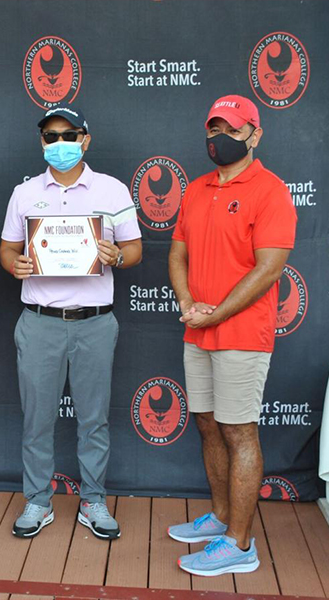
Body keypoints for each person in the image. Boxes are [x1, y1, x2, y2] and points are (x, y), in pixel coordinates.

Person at [167, 95, 296, 576]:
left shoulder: (271, 190)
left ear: (254, 135)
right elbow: (177, 253)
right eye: (214, 128)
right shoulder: (197, 188)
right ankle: (220, 518)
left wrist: (216, 312)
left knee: (240, 432)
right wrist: (186, 304)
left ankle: (240, 545)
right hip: (197, 328)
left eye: (232, 129)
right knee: (207, 424)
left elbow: (269, 270)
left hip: (242, 332)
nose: (220, 137)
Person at [0, 104, 142, 540]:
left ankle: (93, 500)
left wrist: (116, 256)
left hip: (95, 323)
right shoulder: (25, 193)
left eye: (68, 134)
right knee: (37, 419)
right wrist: (15, 266)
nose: (59, 143)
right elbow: (8, 250)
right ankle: (38, 501)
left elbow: (134, 251)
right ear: (41, 142)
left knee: (94, 418)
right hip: (40, 321)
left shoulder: (113, 190)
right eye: (50, 136)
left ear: (86, 140)